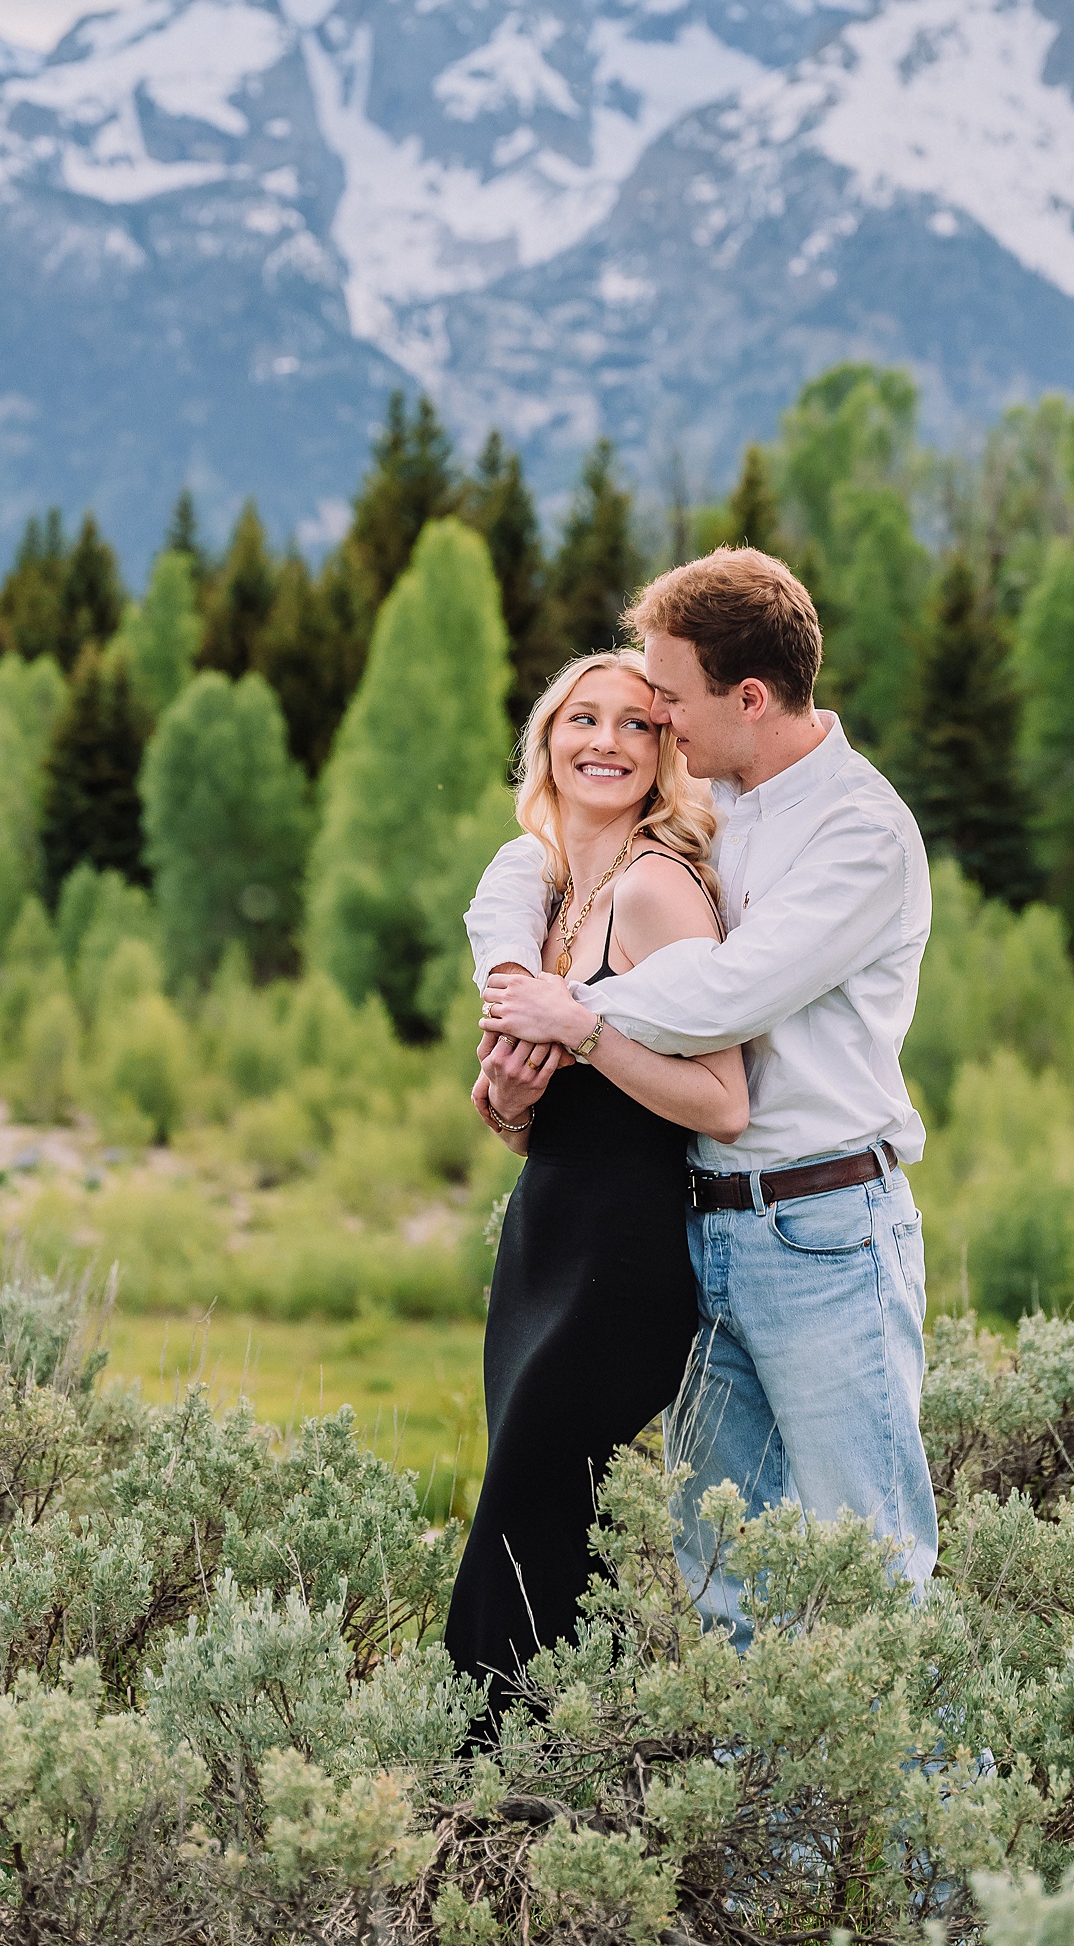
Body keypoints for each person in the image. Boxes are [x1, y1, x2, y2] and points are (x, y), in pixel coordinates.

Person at [470, 547, 938, 1640]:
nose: (660, 722)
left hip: (825, 1226)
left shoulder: (858, 833)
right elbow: (539, 861)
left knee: (871, 1562)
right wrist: (512, 974)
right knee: (723, 1571)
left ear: (749, 697)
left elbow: (727, 994)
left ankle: (922, 1769)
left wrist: (571, 1014)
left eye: (669, 700)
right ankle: (759, 1770)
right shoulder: (727, 800)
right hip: (703, 1229)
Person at [443, 648, 748, 1719]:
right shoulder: (553, 895)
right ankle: (584, 1763)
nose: (606, 741)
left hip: (624, 1261)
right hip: (544, 1243)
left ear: (666, 751)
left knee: (521, 1525)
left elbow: (722, 1102)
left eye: (635, 723)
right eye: (583, 718)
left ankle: (482, 1765)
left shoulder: (656, 890)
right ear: (546, 740)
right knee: (553, 1528)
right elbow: (553, 1127)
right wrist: (512, 1100)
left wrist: (580, 1033)